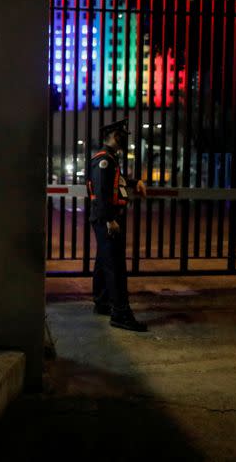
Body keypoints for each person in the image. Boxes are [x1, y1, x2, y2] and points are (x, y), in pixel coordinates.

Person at [87, 119, 148, 331]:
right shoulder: (104, 160)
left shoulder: (110, 159)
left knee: (105, 261)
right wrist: (109, 220)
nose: (124, 138)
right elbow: (102, 193)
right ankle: (121, 313)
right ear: (113, 136)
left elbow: (117, 182)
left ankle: (102, 302)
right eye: (121, 135)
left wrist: (134, 182)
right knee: (115, 266)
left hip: (107, 217)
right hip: (108, 218)